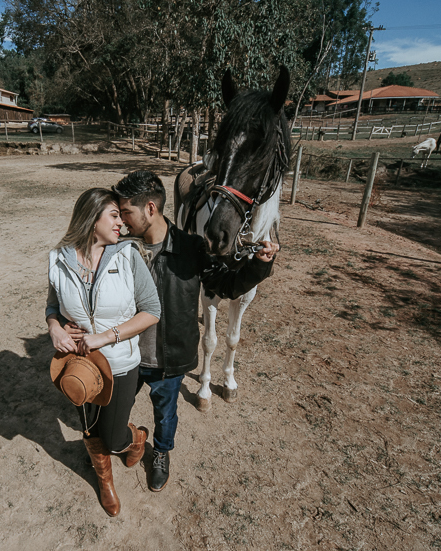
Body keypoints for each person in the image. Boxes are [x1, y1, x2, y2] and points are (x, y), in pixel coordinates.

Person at [114, 170, 278, 491]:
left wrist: (258, 264)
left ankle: (161, 452)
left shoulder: (192, 248)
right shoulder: (120, 248)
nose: (121, 220)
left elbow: (228, 286)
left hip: (169, 360)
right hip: (127, 356)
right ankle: (132, 438)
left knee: (166, 415)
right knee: (113, 415)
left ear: (150, 208)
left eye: (126, 212)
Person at [45, 188, 161, 517]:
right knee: (88, 427)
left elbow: (152, 311)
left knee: (112, 437)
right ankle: (104, 481)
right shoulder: (58, 259)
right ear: (92, 217)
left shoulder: (128, 257)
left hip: (121, 362)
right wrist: (54, 328)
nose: (122, 223)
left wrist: (105, 337)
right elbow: (52, 307)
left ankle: (136, 438)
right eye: (114, 215)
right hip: (79, 365)